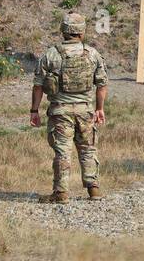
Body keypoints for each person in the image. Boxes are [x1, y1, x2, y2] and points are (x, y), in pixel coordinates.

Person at [32, 12, 107, 203]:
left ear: (63, 30)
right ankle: (94, 189)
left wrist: (34, 110)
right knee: (88, 149)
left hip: (60, 112)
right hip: (85, 111)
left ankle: (61, 193)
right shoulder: (92, 54)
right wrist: (99, 108)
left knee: (62, 152)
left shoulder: (51, 55)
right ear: (82, 32)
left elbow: (38, 85)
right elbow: (101, 84)